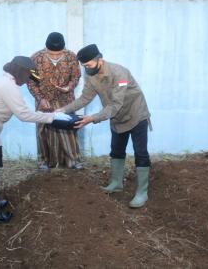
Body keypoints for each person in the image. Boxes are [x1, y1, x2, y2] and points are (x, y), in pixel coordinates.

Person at [0, 56, 72, 223]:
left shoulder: (4, 82)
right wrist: (53, 117)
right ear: (20, 73)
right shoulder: (8, 87)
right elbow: (24, 115)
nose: (26, 82)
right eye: (27, 78)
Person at [57, 44, 152, 208]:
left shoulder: (120, 73)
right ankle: (116, 183)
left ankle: (142, 192)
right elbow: (84, 99)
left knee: (141, 153)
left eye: (89, 65)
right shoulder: (91, 76)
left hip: (136, 115)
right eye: (84, 66)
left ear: (99, 60)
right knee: (116, 150)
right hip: (116, 117)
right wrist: (63, 110)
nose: (87, 69)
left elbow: (116, 105)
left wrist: (92, 118)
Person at [27, 32, 83, 170]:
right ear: (46, 49)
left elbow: (76, 77)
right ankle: (44, 162)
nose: (55, 56)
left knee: (68, 128)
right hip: (44, 100)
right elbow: (31, 82)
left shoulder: (71, 57)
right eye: (52, 54)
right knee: (43, 131)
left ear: (64, 49)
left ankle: (72, 161)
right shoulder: (35, 58)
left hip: (66, 100)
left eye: (59, 54)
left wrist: (69, 87)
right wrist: (40, 98)